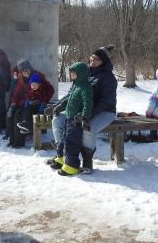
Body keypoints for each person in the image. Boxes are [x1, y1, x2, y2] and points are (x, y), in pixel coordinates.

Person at [47, 45, 117, 174]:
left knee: (87, 128)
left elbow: (105, 101)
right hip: (79, 110)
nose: (92, 61)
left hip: (104, 111)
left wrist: (87, 116)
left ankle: (87, 161)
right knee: (58, 120)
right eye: (91, 58)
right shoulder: (84, 72)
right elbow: (71, 94)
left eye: (96, 59)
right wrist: (59, 106)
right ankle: (62, 156)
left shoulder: (109, 78)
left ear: (104, 61)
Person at [47, 62, 93, 176]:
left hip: (76, 120)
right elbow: (68, 99)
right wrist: (59, 107)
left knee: (71, 142)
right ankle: (62, 158)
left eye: (73, 73)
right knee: (64, 138)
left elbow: (88, 104)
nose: (71, 75)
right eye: (71, 73)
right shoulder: (76, 85)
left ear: (81, 74)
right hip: (69, 117)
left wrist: (83, 116)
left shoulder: (86, 87)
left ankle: (72, 166)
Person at [7, 59, 53, 147]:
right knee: (10, 114)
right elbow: (16, 93)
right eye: (23, 71)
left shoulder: (38, 76)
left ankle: (18, 143)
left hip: (37, 106)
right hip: (26, 103)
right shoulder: (21, 79)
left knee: (18, 115)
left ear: (30, 68)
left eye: (26, 70)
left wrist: (42, 101)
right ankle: (12, 139)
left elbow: (50, 90)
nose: (25, 73)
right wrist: (13, 104)